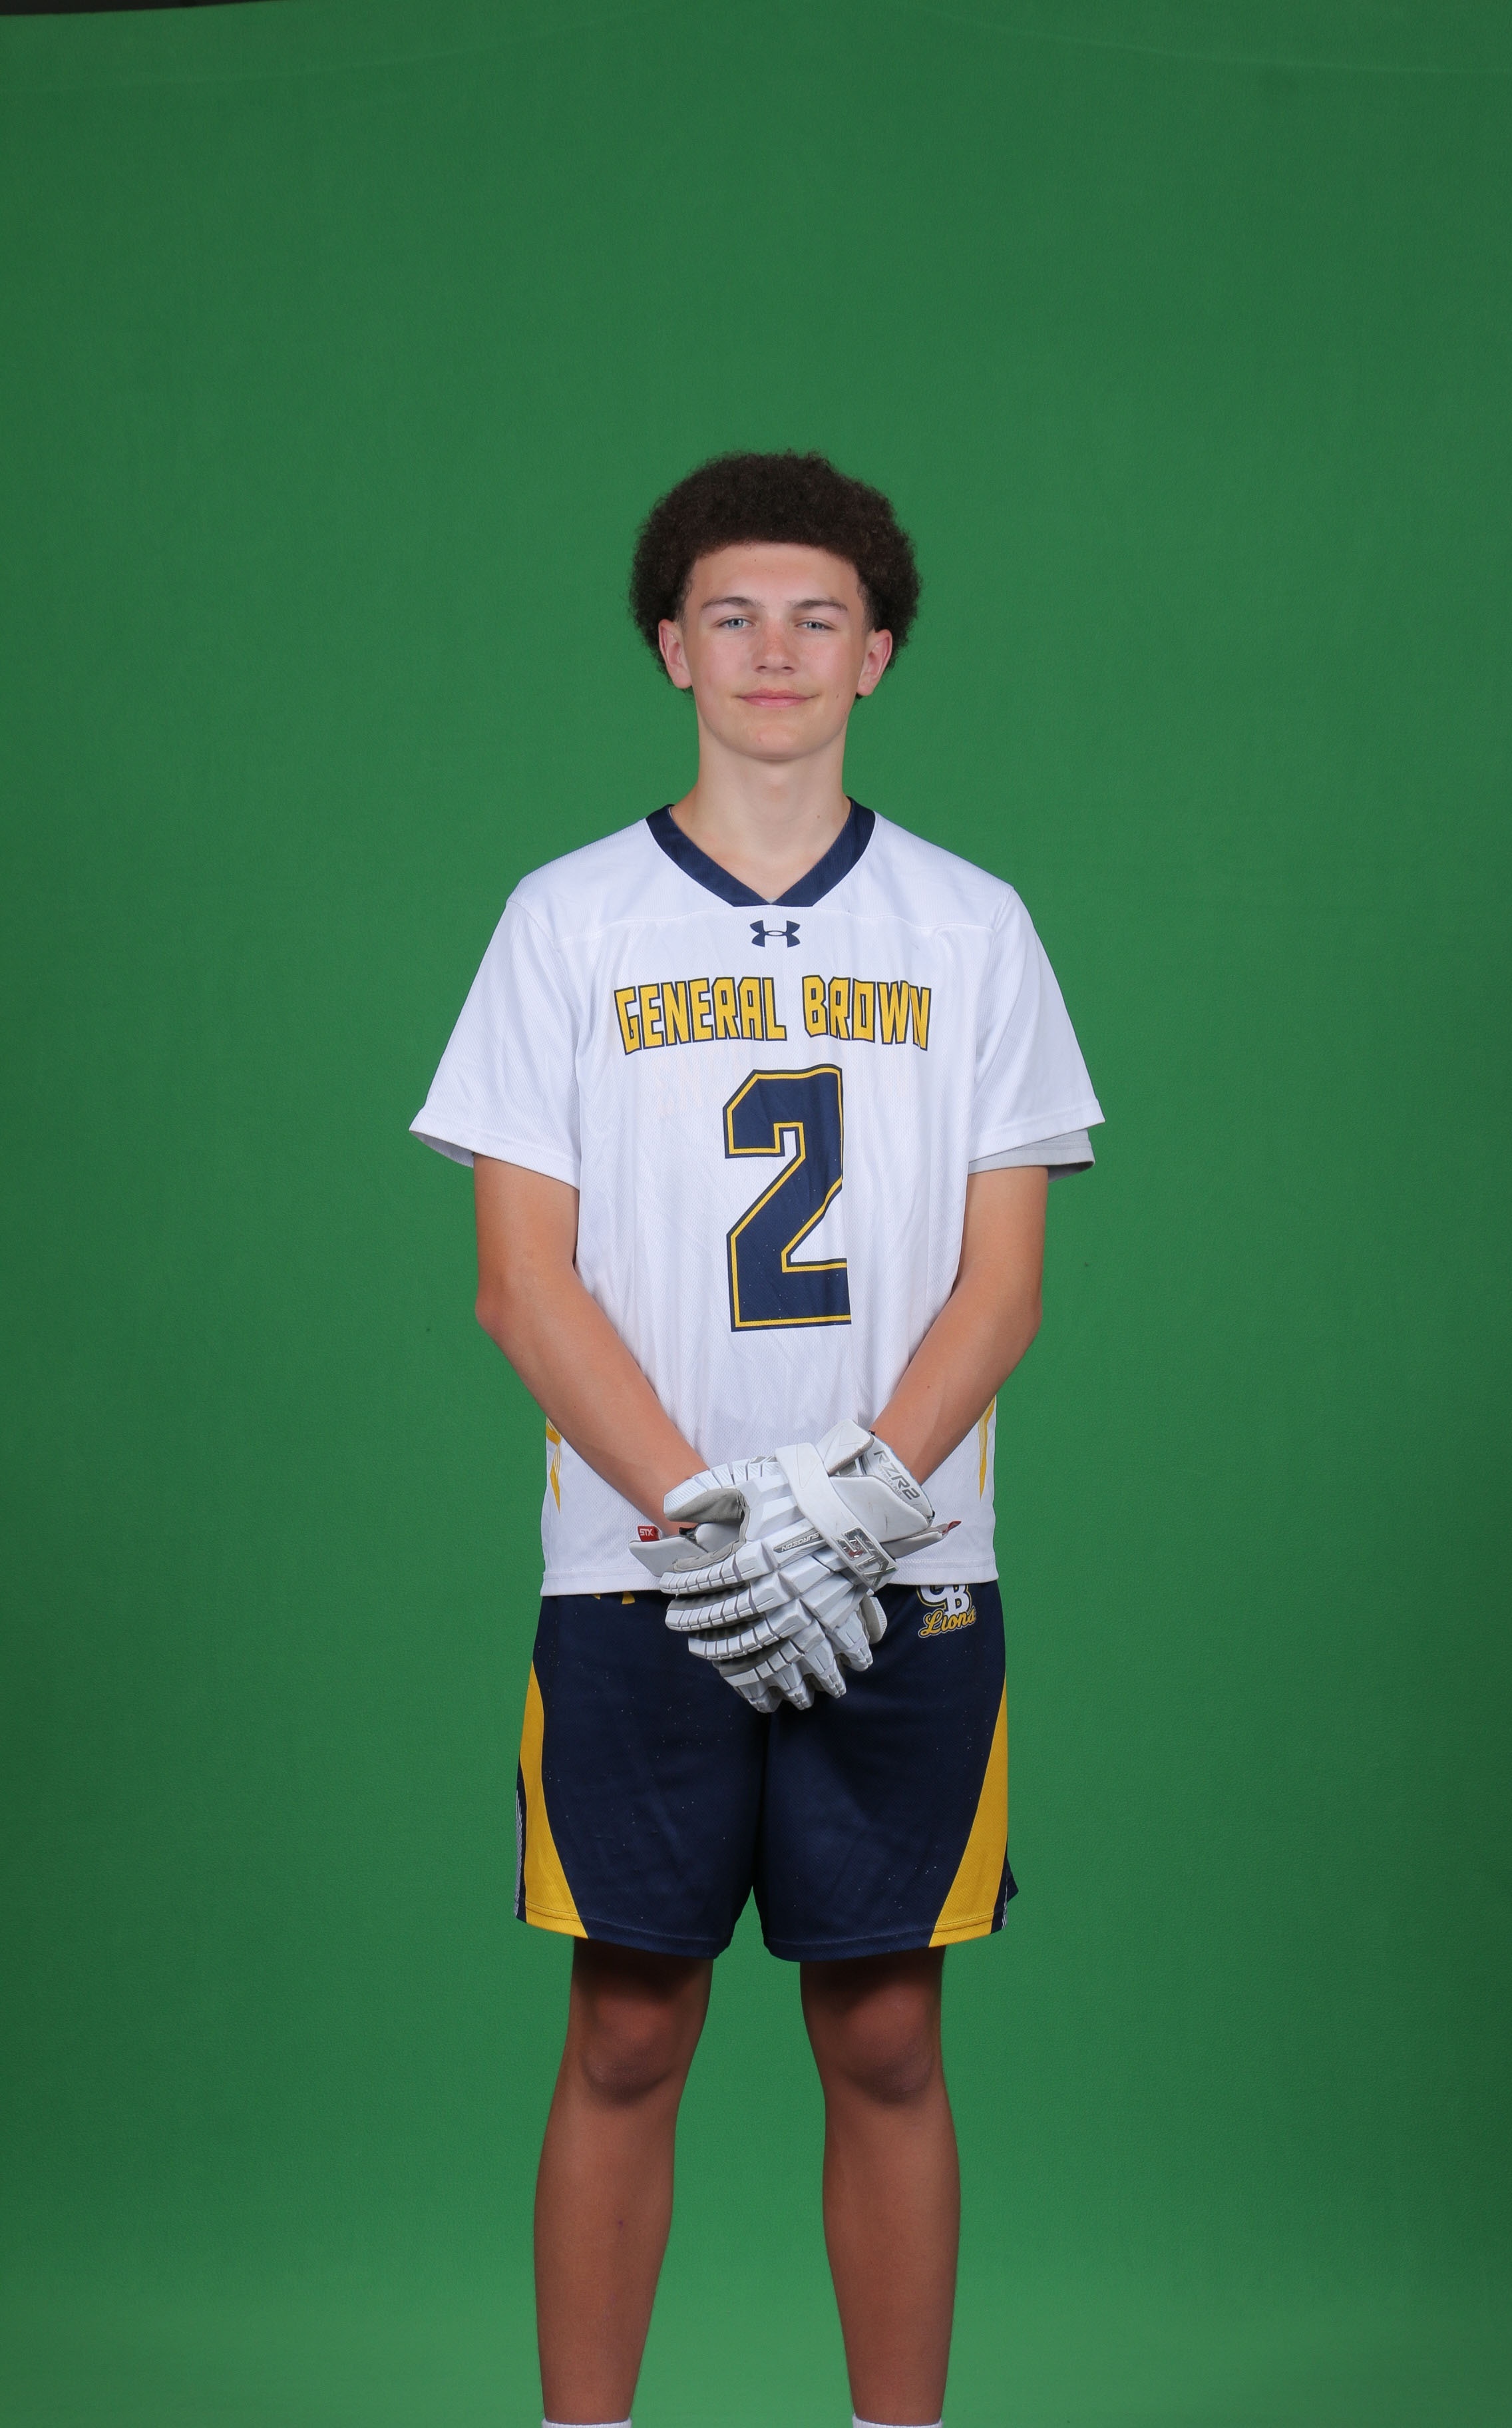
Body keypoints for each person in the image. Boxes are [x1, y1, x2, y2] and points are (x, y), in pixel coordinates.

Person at [411, 450, 1102, 2428]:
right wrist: (712, 1513)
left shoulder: (972, 925)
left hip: (909, 1570)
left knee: (884, 2035)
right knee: (628, 2029)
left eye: (817, 618)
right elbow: (520, 1281)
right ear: (671, 648)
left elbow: (1003, 1286)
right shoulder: (568, 920)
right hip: (646, 1572)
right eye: (733, 616)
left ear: (877, 654)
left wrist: (858, 1502)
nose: (774, 651)